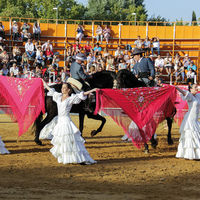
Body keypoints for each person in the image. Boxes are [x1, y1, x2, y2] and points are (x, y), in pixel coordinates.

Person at [42, 79, 97, 165]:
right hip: (60, 122)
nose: (62, 89)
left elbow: (82, 94)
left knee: (72, 141)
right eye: (62, 88)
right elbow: (49, 89)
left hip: (67, 122)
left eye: (64, 88)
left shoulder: (71, 98)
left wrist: (92, 90)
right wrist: (43, 82)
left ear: (69, 90)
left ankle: (80, 159)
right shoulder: (58, 96)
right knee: (63, 141)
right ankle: (67, 158)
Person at [175, 84, 200, 160]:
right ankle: (189, 155)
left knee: (195, 135)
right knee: (190, 136)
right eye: (195, 87)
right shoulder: (190, 96)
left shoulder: (198, 96)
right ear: (191, 89)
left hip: (195, 119)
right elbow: (183, 92)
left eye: (197, 87)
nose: (197, 88)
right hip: (189, 119)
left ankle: (196, 154)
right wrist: (177, 88)